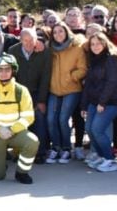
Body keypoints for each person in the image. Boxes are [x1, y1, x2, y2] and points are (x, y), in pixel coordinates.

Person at [0, 55, 38, 184]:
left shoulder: (22, 90)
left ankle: (21, 172)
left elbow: (28, 116)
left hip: (16, 132)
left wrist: (11, 129)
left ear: (13, 71)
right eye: (0, 69)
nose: (4, 73)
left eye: (7, 69)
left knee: (32, 141)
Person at [79, 33, 117, 172]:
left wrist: (102, 102)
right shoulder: (93, 59)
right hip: (93, 101)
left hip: (110, 102)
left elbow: (112, 82)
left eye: (98, 43)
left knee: (98, 130)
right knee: (89, 130)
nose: (95, 46)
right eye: (92, 44)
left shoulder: (111, 59)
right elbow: (88, 85)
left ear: (105, 44)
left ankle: (110, 160)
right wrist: (84, 105)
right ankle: (101, 155)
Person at [9, 28, 52, 164]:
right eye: (25, 41)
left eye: (32, 40)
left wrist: (41, 100)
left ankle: (40, 152)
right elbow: (11, 76)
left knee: (39, 117)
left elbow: (46, 77)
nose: (28, 44)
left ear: (36, 39)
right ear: (20, 40)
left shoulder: (44, 52)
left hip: (36, 92)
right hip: (19, 93)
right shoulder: (12, 51)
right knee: (18, 121)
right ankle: (19, 151)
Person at [45, 23, 87, 164]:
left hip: (72, 89)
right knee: (51, 119)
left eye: (61, 31)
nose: (58, 34)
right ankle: (56, 147)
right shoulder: (50, 49)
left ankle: (67, 149)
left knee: (63, 119)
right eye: (55, 32)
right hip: (54, 89)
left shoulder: (77, 48)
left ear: (67, 32)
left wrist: (70, 77)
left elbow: (83, 69)